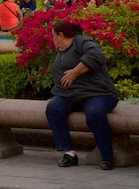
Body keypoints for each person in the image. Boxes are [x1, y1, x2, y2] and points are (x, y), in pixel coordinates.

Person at [45, 19, 119, 170]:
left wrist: (75, 72)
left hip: (99, 94)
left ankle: (107, 156)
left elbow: (97, 55)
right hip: (70, 96)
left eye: (53, 36)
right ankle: (69, 153)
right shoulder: (60, 51)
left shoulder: (81, 42)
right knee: (53, 108)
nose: (52, 39)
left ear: (61, 35)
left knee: (94, 112)